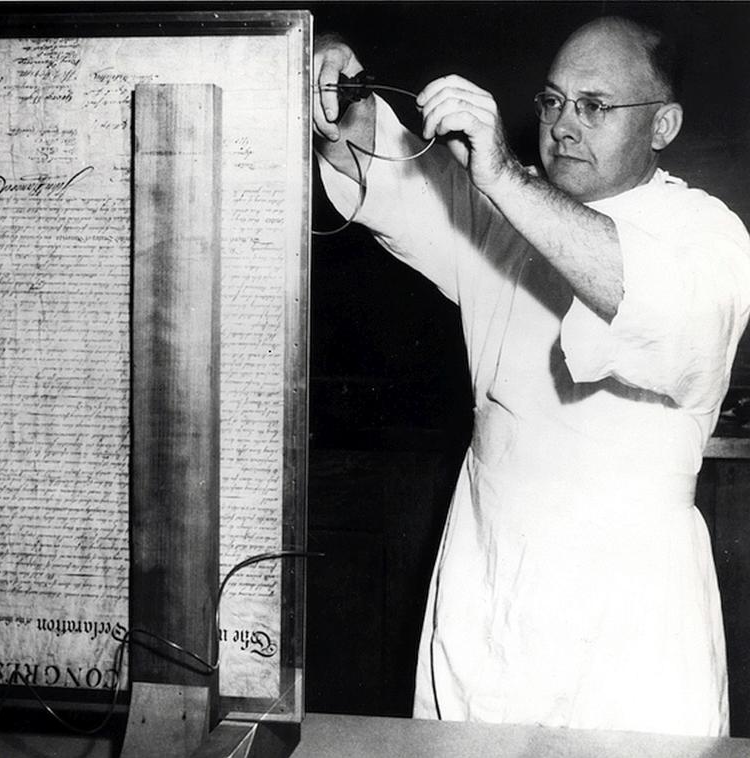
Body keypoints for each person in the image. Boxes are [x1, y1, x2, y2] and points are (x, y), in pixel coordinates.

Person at [313, 15, 750, 737]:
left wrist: (505, 176)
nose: (563, 125)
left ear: (663, 124)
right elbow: (383, 171)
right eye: (551, 102)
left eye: (594, 105)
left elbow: (645, 297)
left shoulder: (706, 234)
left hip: (628, 612)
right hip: (487, 578)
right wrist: (341, 101)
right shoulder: (500, 218)